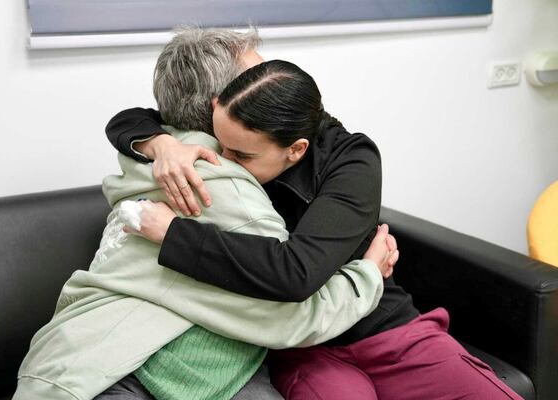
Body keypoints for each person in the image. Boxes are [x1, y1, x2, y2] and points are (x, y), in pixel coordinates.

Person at [108, 56, 523, 400]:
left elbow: (296, 273)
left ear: (296, 150)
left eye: (242, 155)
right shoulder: (232, 126)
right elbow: (129, 119)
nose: (226, 162)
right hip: (308, 346)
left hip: (386, 328)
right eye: (222, 145)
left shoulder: (351, 159)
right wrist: (161, 144)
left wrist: (172, 233)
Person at [13, 28, 395, 400]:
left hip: (97, 351)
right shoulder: (218, 186)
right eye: (254, 78)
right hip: (122, 367)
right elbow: (292, 313)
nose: (268, 82)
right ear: (221, 102)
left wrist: (157, 143)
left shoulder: (154, 150)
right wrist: (368, 274)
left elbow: (131, 118)